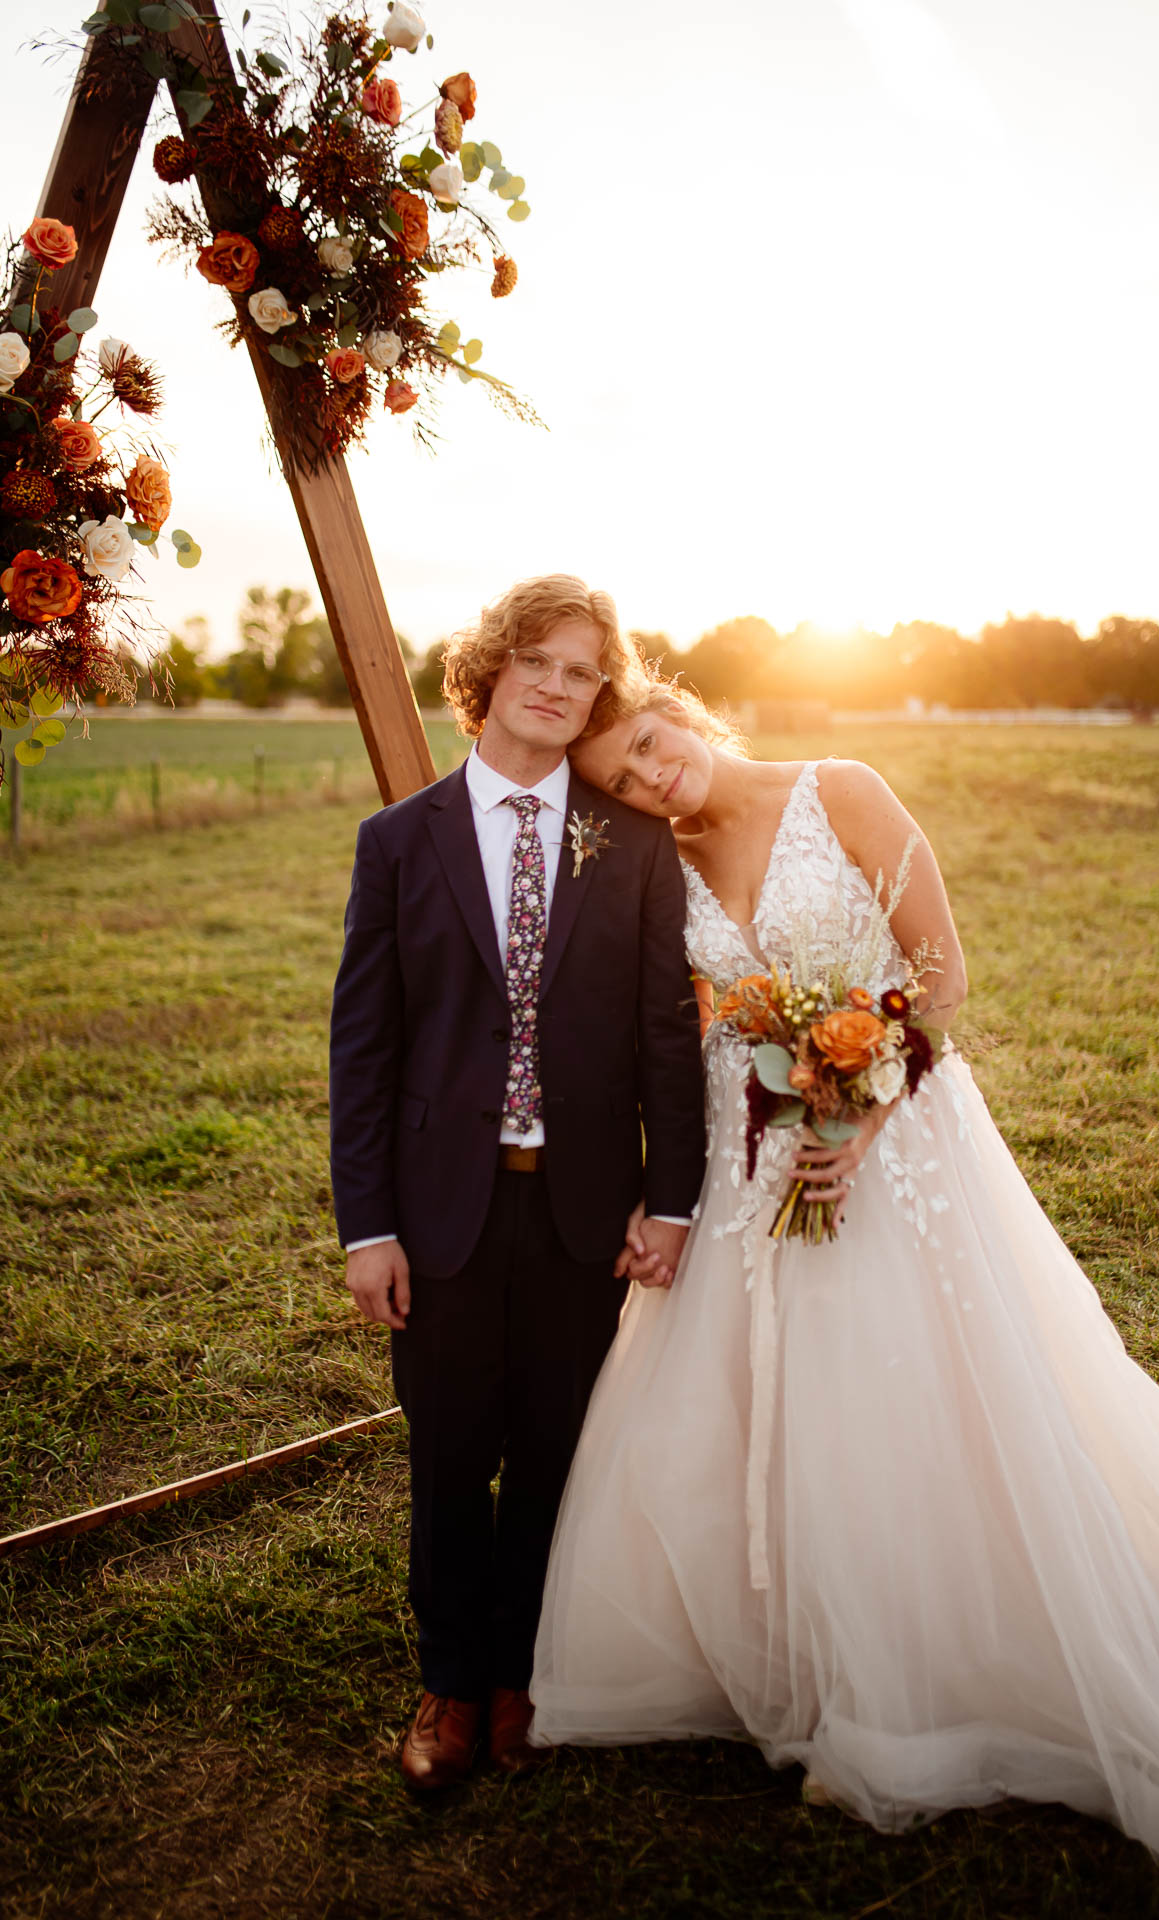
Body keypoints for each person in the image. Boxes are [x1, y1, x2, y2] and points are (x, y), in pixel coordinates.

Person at [529, 680, 1159, 1875]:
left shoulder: (842, 792)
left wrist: (862, 1108)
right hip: (740, 1153)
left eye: (651, 749)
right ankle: (771, 1639)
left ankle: (916, 1667)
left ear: (677, 710)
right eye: (622, 780)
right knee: (739, 1394)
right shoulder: (651, 866)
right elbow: (679, 1031)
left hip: (891, 1141)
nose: (650, 781)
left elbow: (941, 977)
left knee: (906, 1383)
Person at [329, 579, 705, 1793]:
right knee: (446, 1452)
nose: (558, 685)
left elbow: (665, 1035)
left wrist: (674, 1199)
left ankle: (522, 1673)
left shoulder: (636, 845)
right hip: (439, 1211)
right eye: (538, 660)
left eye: (585, 672)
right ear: (487, 671)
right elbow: (365, 1048)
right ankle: (447, 1680)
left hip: (583, 1210)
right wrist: (368, 1225)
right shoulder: (399, 841)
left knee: (556, 1447)